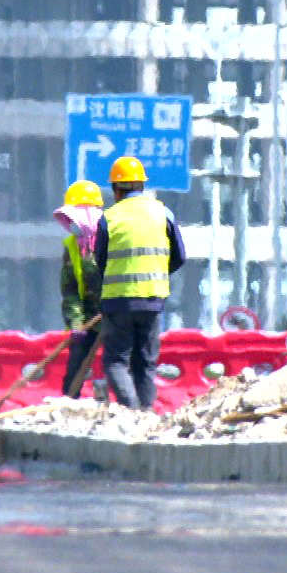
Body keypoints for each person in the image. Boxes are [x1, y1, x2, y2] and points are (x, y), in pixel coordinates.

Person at [94, 156, 185, 410]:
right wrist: (156, 272)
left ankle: (132, 410)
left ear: (115, 189)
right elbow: (179, 256)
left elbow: (100, 261)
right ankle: (145, 414)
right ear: (142, 186)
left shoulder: (108, 218)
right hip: (152, 299)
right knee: (146, 362)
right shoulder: (163, 212)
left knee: (116, 361)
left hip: (118, 301)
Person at [54, 180, 105, 398]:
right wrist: (76, 323)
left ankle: (126, 408)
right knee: (76, 365)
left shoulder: (112, 240)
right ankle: (68, 403)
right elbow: (71, 292)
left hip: (116, 315)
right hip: (88, 321)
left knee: (118, 364)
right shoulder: (73, 247)